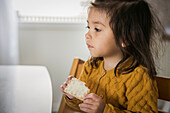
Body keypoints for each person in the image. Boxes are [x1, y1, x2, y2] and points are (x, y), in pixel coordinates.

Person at [60, 0, 164, 112]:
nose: (87, 35)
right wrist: (73, 96)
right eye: (88, 27)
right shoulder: (90, 66)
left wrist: (104, 110)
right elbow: (84, 106)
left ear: (126, 38)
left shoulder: (139, 77)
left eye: (97, 29)